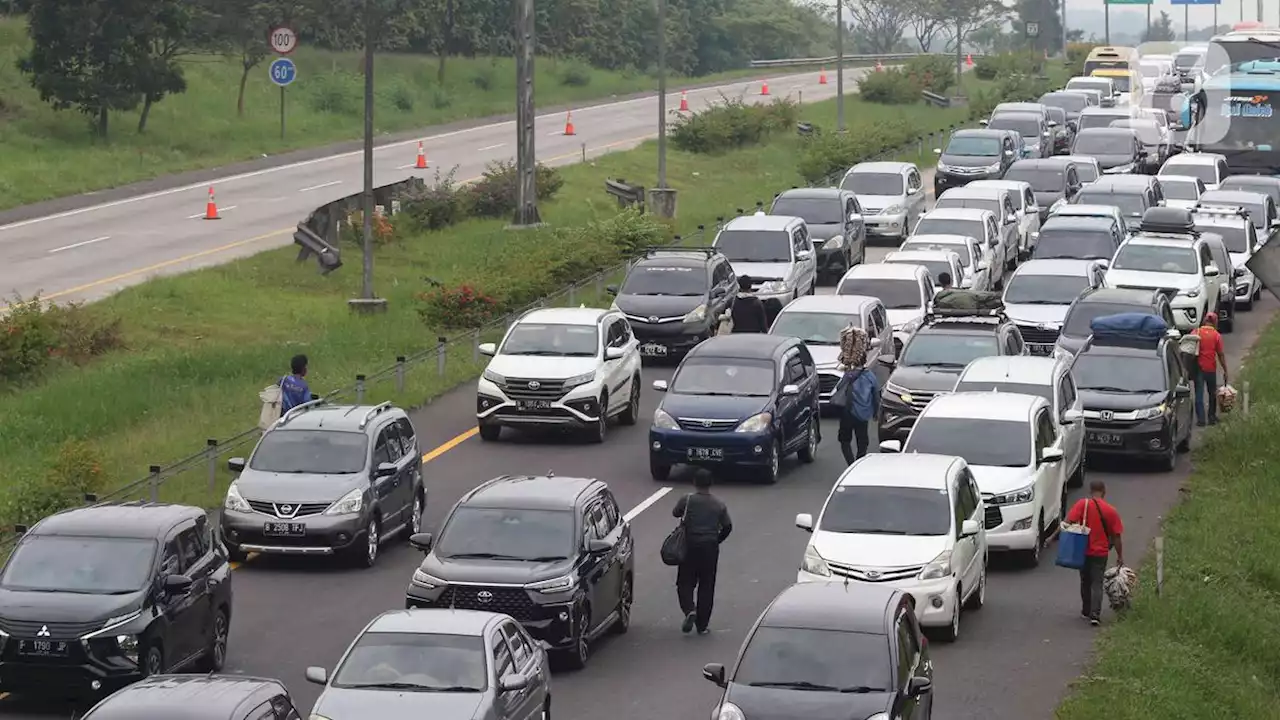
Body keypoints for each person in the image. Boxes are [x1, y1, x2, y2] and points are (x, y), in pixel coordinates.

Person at [672, 470, 733, 635]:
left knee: (684, 582)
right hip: (710, 548)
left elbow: (675, 512)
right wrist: (716, 539)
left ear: (694, 482)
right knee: (707, 585)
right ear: (710, 483)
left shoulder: (687, 499)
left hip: (689, 546)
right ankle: (702, 625)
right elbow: (728, 526)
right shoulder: (719, 504)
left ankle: (689, 609)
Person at [1064, 479, 1125, 626]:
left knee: (1085, 580)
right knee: (1097, 583)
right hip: (1100, 552)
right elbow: (1116, 536)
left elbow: (1068, 522)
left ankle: (1086, 610)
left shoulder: (1082, 505)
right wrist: (1120, 555)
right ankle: (1095, 615)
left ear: (1090, 491)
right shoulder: (1111, 511)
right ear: (1104, 491)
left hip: (1083, 550)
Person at [1193, 312, 1227, 426]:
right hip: (1210, 368)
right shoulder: (1216, 335)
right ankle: (1211, 417)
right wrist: (1225, 370)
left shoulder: (1196, 332)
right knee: (1212, 393)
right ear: (1215, 322)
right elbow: (1221, 354)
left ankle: (1201, 420)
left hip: (1198, 368)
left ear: (1204, 320)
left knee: (1199, 394)